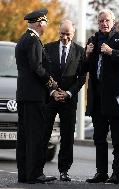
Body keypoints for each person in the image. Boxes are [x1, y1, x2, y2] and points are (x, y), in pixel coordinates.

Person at [84, 9, 119, 184]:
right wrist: (87, 55)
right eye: (101, 21)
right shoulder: (92, 40)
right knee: (99, 138)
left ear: (113, 21)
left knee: (118, 138)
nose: (104, 23)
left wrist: (112, 52)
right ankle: (101, 173)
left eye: (107, 20)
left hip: (116, 98)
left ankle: (117, 174)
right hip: (97, 98)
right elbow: (83, 69)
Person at [15, 8, 57, 184]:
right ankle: (34, 174)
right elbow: (37, 67)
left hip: (25, 95)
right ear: (41, 23)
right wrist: (50, 82)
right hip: (34, 96)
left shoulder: (24, 39)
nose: (46, 25)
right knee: (34, 136)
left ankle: (24, 174)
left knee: (24, 136)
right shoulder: (33, 41)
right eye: (45, 22)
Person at [43, 20, 86, 181]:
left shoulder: (80, 52)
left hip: (69, 99)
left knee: (67, 136)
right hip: (50, 98)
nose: (65, 37)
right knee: (44, 132)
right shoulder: (48, 48)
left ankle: (64, 170)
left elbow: (81, 78)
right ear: (58, 32)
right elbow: (44, 73)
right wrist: (53, 91)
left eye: (68, 34)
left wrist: (68, 93)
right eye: (62, 33)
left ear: (73, 34)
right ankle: (38, 169)